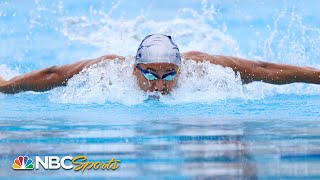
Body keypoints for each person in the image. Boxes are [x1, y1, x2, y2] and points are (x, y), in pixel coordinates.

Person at [0, 34, 319, 95]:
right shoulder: (108, 73)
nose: (159, 84)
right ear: (134, 69)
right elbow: (55, 75)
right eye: (150, 73)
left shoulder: (204, 70)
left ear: (181, 69)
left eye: (169, 75)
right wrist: (6, 86)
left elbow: (262, 69)